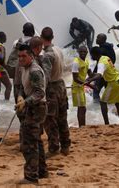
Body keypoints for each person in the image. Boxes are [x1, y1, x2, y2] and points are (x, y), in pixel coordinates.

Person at [14, 44, 48, 183]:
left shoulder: (34, 70)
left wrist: (25, 102)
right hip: (31, 106)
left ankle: (31, 176)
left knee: (29, 143)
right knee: (36, 140)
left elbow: (40, 92)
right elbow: (23, 87)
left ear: (31, 56)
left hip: (37, 108)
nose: (21, 59)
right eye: (19, 56)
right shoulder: (24, 68)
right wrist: (21, 96)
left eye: (24, 56)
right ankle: (42, 171)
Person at [40, 27, 71, 156]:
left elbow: (46, 76)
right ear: (52, 37)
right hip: (61, 85)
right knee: (62, 118)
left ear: (42, 38)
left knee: (50, 119)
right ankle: (65, 145)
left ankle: (53, 147)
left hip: (52, 88)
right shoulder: (58, 50)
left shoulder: (47, 55)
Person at [86, 47, 119, 125]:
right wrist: (90, 76)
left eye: (91, 55)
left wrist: (89, 81)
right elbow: (101, 72)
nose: (91, 57)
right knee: (117, 102)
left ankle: (106, 123)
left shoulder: (101, 63)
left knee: (103, 102)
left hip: (113, 83)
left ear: (94, 55)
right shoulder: (105, 58)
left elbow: (99, 75)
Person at [92, 33, 116, 102]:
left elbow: (99, 63)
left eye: (98, 38)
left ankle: (96, 107)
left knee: (96, 91)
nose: (96, 39)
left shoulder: (102, 50)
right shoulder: (108, 46)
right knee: (108, 89)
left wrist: (93, 74)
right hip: (109, 72)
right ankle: (110, 105)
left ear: (103, 39)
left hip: (103, 73)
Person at [71, 46, 90, 127]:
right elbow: (75, 78)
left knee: (83, 108)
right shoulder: (76, 62)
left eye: (84, 52)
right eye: (81, 52)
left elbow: (90, 73)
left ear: (87, 52)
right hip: (76, 88)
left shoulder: (86, 61)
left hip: (81, 87)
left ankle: (83, 126)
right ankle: (81, 126)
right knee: (81, 108)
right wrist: (88, 84)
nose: (82, 53)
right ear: (78, 52)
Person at [0, 31, 13, 100]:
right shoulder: (1, 47)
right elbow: (1, 61)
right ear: (2, 38)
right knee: (9, 86)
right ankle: (6, 102)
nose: (6, 38)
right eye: (5, 37)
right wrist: (8, 69)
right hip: (1, 70)